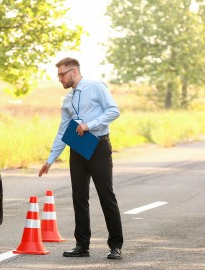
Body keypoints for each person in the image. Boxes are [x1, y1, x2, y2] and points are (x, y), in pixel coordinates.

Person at [38, 57, 123, 259]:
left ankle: (116, 246)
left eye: (62, 74)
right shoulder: (67, 99)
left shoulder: (95, 87)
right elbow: (62, 130)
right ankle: (82, 245)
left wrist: (89, 125)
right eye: (58, 75)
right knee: (79, 197)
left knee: (106, 195)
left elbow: (114, 110)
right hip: (77, 146)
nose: (59, 79)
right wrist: (50, 159)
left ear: (73, 72)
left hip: (98, 144)